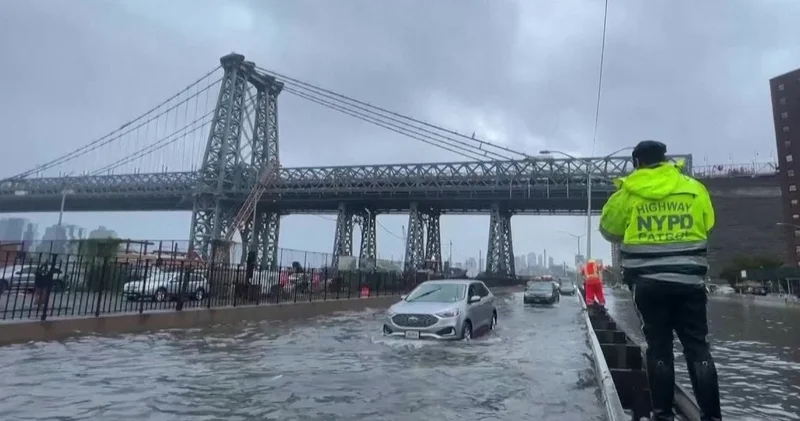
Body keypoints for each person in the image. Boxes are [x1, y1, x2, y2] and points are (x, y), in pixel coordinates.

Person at [599, 140, 721, 421]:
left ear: (637, 163)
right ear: (666, 159)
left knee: (659, 349)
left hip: (648, 285)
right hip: (689, 283)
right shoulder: (693, 188)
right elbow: (709, 223)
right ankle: (713, 418)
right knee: (698, 348)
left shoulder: (628, 192)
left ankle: (663, 415)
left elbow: (608, 229)